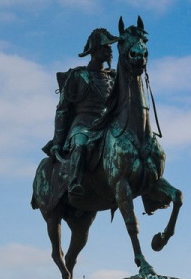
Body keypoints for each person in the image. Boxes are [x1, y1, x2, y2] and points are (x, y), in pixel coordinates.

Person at [43, 27, 116, 202]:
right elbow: (62, 110)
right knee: (81, 143)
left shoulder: (114, 77)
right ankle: (75, 181)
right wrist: (57, 142)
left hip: (108, 124)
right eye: (105, 48)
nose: (110, 51)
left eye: (110, 48)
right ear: (95, 51)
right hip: (83, 123)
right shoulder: (77, 75)